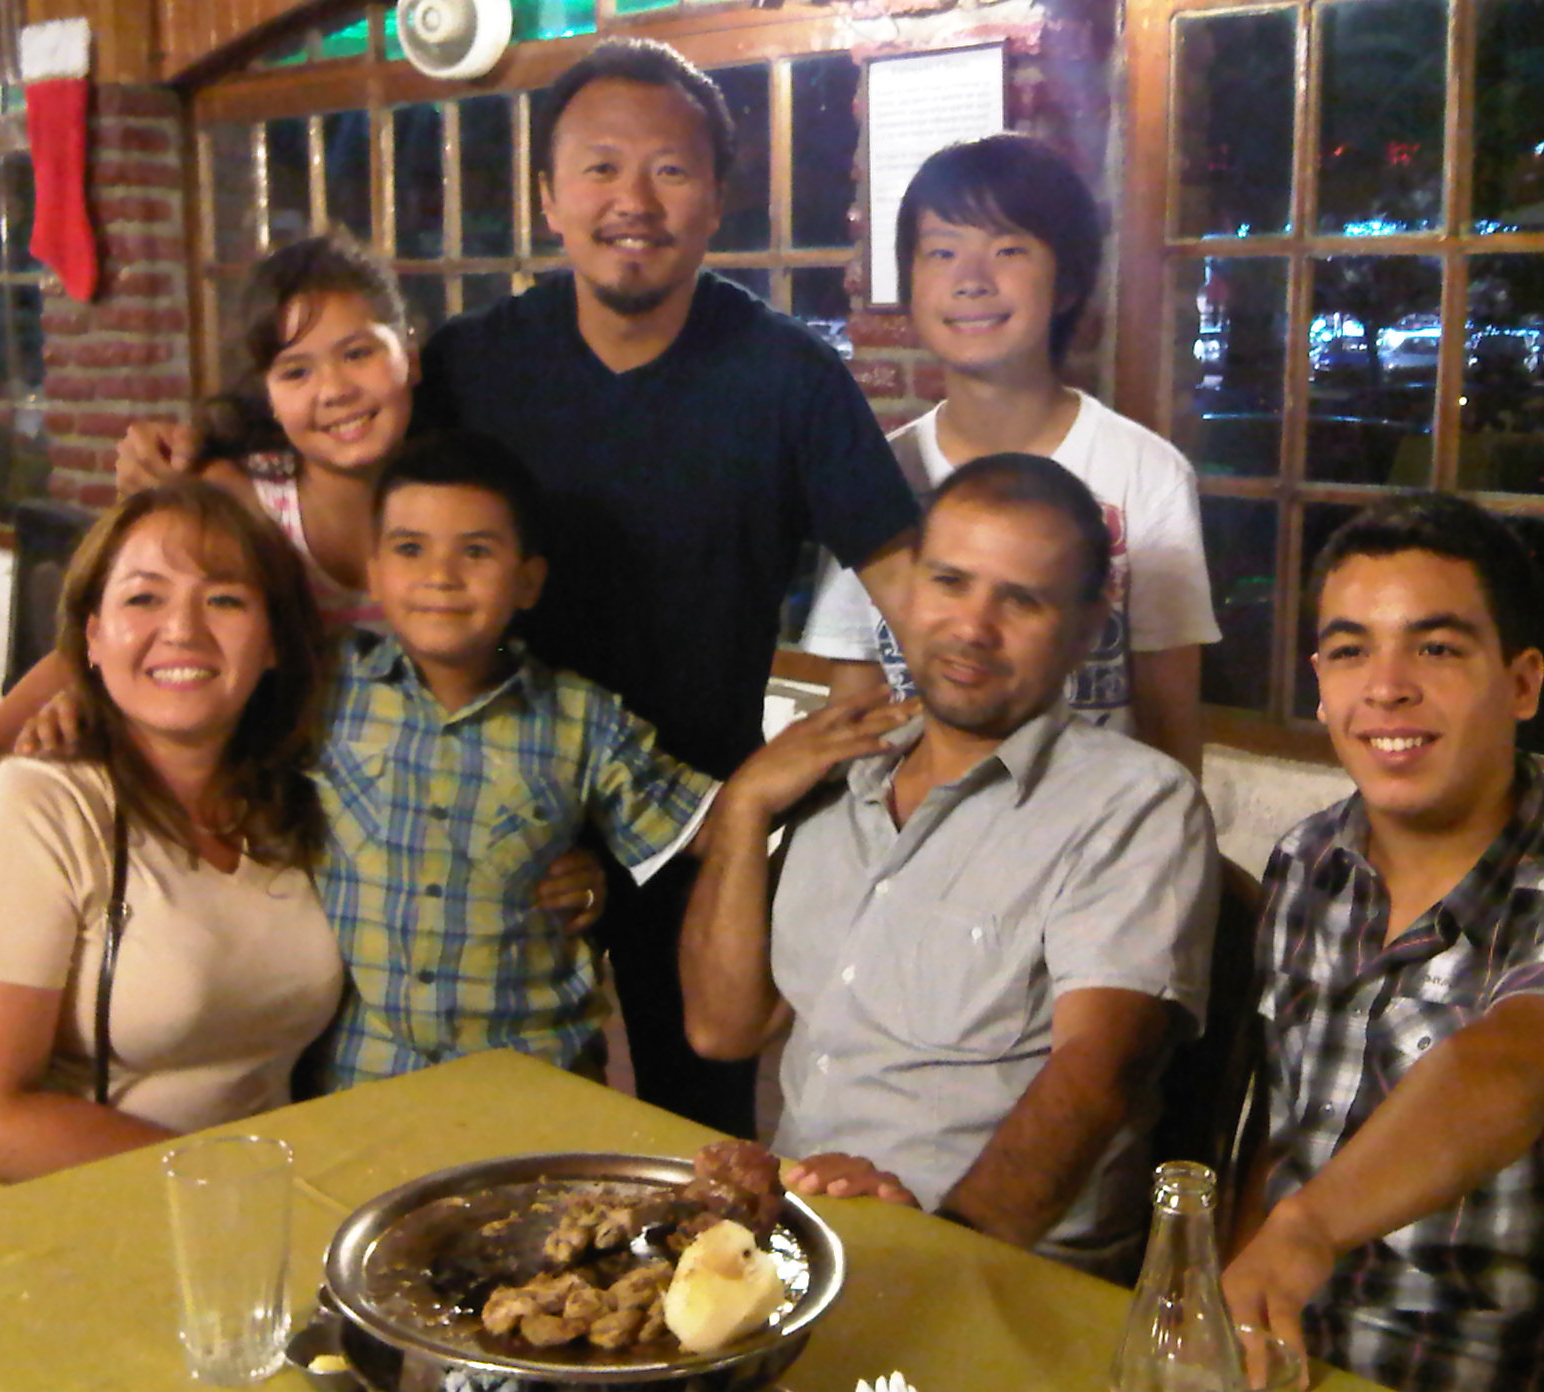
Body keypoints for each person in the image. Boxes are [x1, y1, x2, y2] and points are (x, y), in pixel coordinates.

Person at [413, 38, 922, 1136]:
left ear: (716, 201)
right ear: (549, 196)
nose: (632, 202)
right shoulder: (467, 365)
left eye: (670, 170)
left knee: (702, 1133)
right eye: (599, 167)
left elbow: (912, 591)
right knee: (491, 1122)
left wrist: (953, 768)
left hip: (697, 821)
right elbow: (352, 535)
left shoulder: (787, 377)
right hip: (501, 814)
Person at [0, 234, 603, 923]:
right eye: (295, 370)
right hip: (265, 823)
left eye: (359, 352)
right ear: (269, 395)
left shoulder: (458, 504)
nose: (333, 390)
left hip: (416, 834)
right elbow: (125, 636)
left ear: (409, 352)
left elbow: (521, 683)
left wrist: (557, 845)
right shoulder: (241, 499)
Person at [680, 454, 1217, 1280]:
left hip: (998, 1269)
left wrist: (942, 1245)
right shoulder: (840, 771)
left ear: (1087, 627)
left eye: (1021, 600)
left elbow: (1096, 1076)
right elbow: (723, 1029)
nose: (972, 627)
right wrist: (746, 804)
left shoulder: (1133, 804)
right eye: (949, 582)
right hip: (807, 1242)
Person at [1221, 494, 1544, 1392]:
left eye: (1437, 649)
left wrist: (1307, 1227)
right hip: (1310, 1358)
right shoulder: (1307, 862)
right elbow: (1282, 1132)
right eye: (1351, 651)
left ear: (1523, 684)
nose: (1386, 687)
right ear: (1320, 681)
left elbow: (1508, 1063)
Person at [0, 479, 343, 1218]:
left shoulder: (297, 810)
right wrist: (236, 1185)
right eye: (143, 598)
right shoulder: (31, 811)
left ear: (275, 640)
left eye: (224, 599)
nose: (181, 629)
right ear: (92, 639)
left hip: (214, 1217)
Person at [799, 134, 1218, 775]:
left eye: (1008, 250)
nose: (970, 280)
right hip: (911, 818)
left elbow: (1169, 721)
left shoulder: (1146, 473)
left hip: (1087, 823)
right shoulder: (875, 473)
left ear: (1067, 282)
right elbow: (853, 710)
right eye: (942, 252)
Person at [316, 431, 720, 1089]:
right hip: (358, 1082)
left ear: (527, 581)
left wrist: (779, 783)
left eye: (475, 551)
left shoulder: (583, 720)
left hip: (534, 1080)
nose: (441, 576)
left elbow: (701, 826)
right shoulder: (327, 690)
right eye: (410, 548)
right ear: (373, 570)